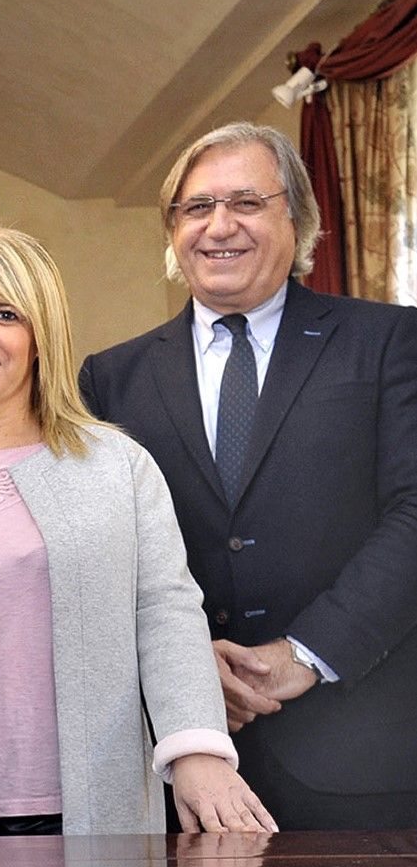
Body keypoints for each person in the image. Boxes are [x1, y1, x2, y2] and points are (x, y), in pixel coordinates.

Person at [0, 228, 274, 835]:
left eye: (5, 314)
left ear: (42, 338)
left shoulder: (120, 467)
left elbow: (165, 612)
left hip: (83, 812)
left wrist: (198, 749)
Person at [80, 122, 417, 830]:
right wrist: (187, 668)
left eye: (246, 203)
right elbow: (101, 555)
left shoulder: (388, 341)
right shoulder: (111, 378)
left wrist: (305, 654)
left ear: (298, 218)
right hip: (181, 764)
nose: (218, 226)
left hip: (360, 759)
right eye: (196, 207)